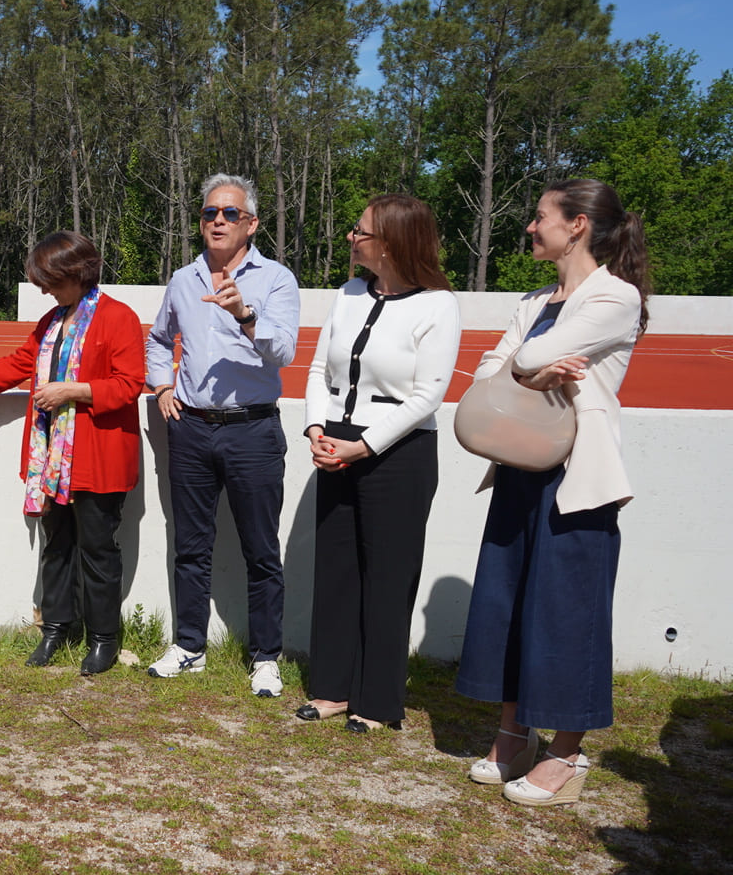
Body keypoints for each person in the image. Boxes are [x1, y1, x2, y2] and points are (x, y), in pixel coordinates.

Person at [455, 178, 651, 807]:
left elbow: (531, 354)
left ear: (577, 226)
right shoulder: (535, 297)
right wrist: (532, 371)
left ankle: (567, 753)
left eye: (541, 217)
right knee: (508, 598)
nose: (531, 228)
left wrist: (528, 366)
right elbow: (493, 368)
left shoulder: (615, 297)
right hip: (521, 463)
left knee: (569, 609)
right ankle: (513, 733)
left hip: (578, 474)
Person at [0, 232, 145, 675]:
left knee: (98, 549)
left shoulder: (118, 318)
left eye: (50, 281)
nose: (44, 290)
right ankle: (55, 629)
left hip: (97, 457)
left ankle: (104, 638)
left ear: (78, 273)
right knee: (56, 545)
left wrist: (74, 391)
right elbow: (21, 362)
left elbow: (129, 385)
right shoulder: (52, 321)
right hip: (52, 459)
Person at [298, 195, 460, 732]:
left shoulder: (437, 304)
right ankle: (331, 689)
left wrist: (363, 446)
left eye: (360, 231)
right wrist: (318, 428)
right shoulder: (347, 294)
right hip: (335, 444)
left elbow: (428, 395)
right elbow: (320, 369)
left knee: (388, 577)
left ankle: (377, 701)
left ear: (391, 242)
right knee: (337, 569)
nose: (351, 237)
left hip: (399, 452)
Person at [145, 173, 300, 696]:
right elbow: (159, 339)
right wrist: (163, 385)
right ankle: (188, 646)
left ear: (251, 224)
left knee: (261, 550)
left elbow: (284, 354)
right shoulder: (182, 279)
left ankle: (266, 657)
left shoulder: (276, 279)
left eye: (229, 214)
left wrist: (245, 315)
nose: (217, 221)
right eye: (210, 212)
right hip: (190, 429)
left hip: (252, 430)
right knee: (190, 546)